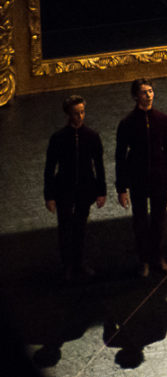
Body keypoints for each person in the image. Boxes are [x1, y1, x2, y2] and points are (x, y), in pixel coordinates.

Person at [116, 78, 167, 277]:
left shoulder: (162, 119)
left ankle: (157, 258)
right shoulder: (127, 123)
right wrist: (121, 188)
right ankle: (144, 260)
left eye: (150, 91)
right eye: (144, 92)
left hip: (159, 177)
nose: (149, 95)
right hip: (138, 178)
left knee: (159, 220)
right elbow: (120, 157)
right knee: (140, 221)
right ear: (136, 96)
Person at [44, 95, 106, 280]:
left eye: (82, 112)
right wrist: (49, 195)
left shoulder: (92, 136)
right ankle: (67, 265)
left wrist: (101, 191)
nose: (80, 117)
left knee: (80, 226)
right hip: (64, 188)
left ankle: (78, 262)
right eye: (76, 113)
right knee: (64, 227)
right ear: (68, 114)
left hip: (85, 188)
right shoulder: (58, 138)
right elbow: (49, 168)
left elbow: (99, 166)